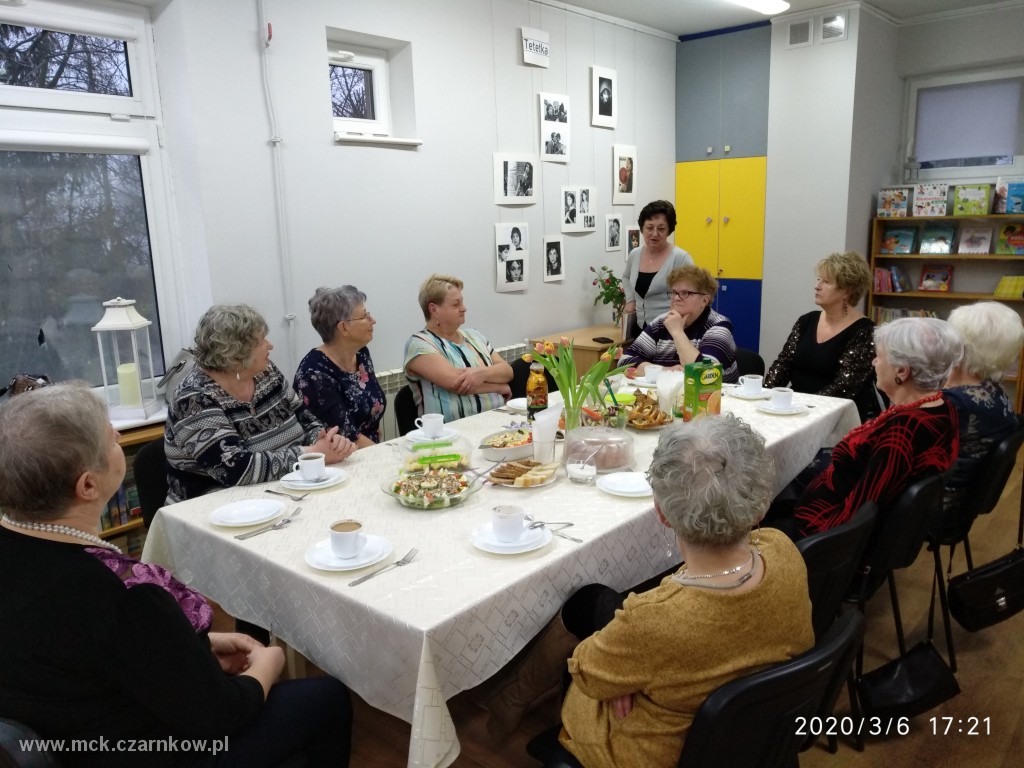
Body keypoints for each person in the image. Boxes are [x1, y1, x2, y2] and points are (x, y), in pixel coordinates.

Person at [0, 385, 352, 768]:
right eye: (109, 437)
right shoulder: (121, 594)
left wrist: (198, 643)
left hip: (63, 728)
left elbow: (95, 648)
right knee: (326, 697)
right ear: (87, 485)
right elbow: (222, 714)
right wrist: (270, 661)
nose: (119, 436)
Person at [479, 415, 813, 765]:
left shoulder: (654, 621)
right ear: (761, 501)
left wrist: (628, 679)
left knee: (595, 646)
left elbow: (587, 673)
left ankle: (507, 703)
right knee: (590, 603)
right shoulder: (784, 551)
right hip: (762, 736)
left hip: (661, 753)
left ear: (661, 512)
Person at [768, 317, 962, 540]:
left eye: (879, 357)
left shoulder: (902, 433)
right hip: (823, 509)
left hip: (814, 532)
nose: (873, 363)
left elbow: (858, 517)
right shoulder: (943, 407)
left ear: (902, 371)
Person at [166, 304, 355, 503]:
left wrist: (325, 440)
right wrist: (312, 453)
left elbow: (304, 417)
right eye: (261, 341)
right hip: (217, 508)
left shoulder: (266, 372)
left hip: (285, 491)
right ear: (235, 353)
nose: (270, 345)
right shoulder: (193, 399)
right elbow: (234, 469)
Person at [938, 302, 1024, 534]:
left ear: (960, 347)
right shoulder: (996, 391)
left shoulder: (953, 403)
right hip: (965, 503)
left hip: (936, 508)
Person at [764, 252, 880, 421]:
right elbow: (784, 364)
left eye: (826, 282)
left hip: (835, 417)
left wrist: (804, 410)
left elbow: (844, 387)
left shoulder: (864, 332)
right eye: (818, 279)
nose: (817, 286)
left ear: (846, 291)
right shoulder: (807, 320)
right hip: (796, 409)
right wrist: (765, 396)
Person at [404, 274, 513, 421]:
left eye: (462, 302)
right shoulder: (419, 344)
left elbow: (507, 371)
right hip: (448, 433)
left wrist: (481, 374)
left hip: (496, 421)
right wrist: (498, 387)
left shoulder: (474, 336)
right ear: (434, 309)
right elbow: (456, 383)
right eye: (456, 304)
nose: (464, 308)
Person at [293, 286, 386, 449]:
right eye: (365, 316)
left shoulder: (361, 354)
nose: (373, 320)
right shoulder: (314, 374)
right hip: (341, 459)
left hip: (370, 451)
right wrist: (388, 457)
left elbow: (371, 418)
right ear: (343, 328)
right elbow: (348, 435)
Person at [619, 265, 738, 382]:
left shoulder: (719, 326)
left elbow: (704, 375)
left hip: (717, 399)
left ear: (704, 300)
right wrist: (665, 372)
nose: (676, 298)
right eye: (674, 292)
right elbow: (624, 362)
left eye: (685, 293)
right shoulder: (661, 322)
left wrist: (677, 332)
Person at [622, 200, 694, 338]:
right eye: (649, 228)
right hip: (640, 328)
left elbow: (694, 295)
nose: (654, 234)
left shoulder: (681, 258)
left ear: (669, 231)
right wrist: (630, 300)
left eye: (661, 229)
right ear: (642, 228)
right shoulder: (635, 255)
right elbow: (625, 277)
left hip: (670, 331)